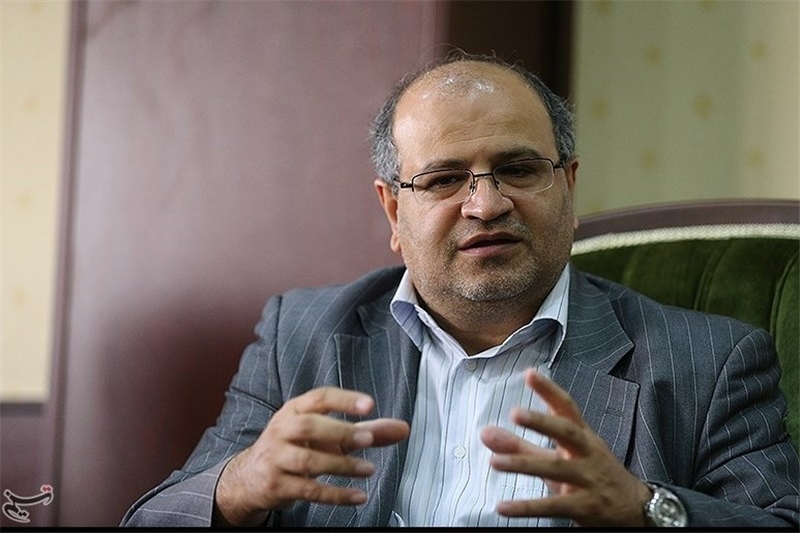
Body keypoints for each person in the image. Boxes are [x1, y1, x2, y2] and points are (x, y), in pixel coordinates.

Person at [121, 53, 799, 528]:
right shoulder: (301, 335)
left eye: (518, 168)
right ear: (393, 211)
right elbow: (156, 517)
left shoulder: (708, 361)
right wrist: (242, 483)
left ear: (567, 186)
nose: (486, 204)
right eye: (444, 180)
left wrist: (645, 508)